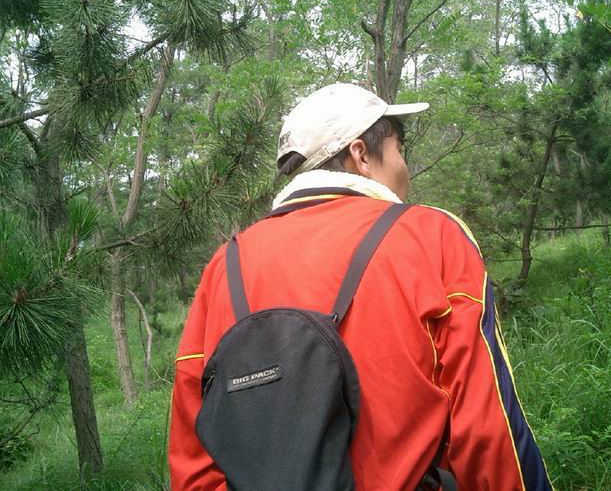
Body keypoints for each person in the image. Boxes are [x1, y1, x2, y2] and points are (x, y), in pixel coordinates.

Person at [169, 83, 552, 490]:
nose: (404, 166)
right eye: (399, 149)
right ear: (361, 154)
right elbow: (488, 427)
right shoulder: (431, 235)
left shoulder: (224, 266)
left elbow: (194, 448)